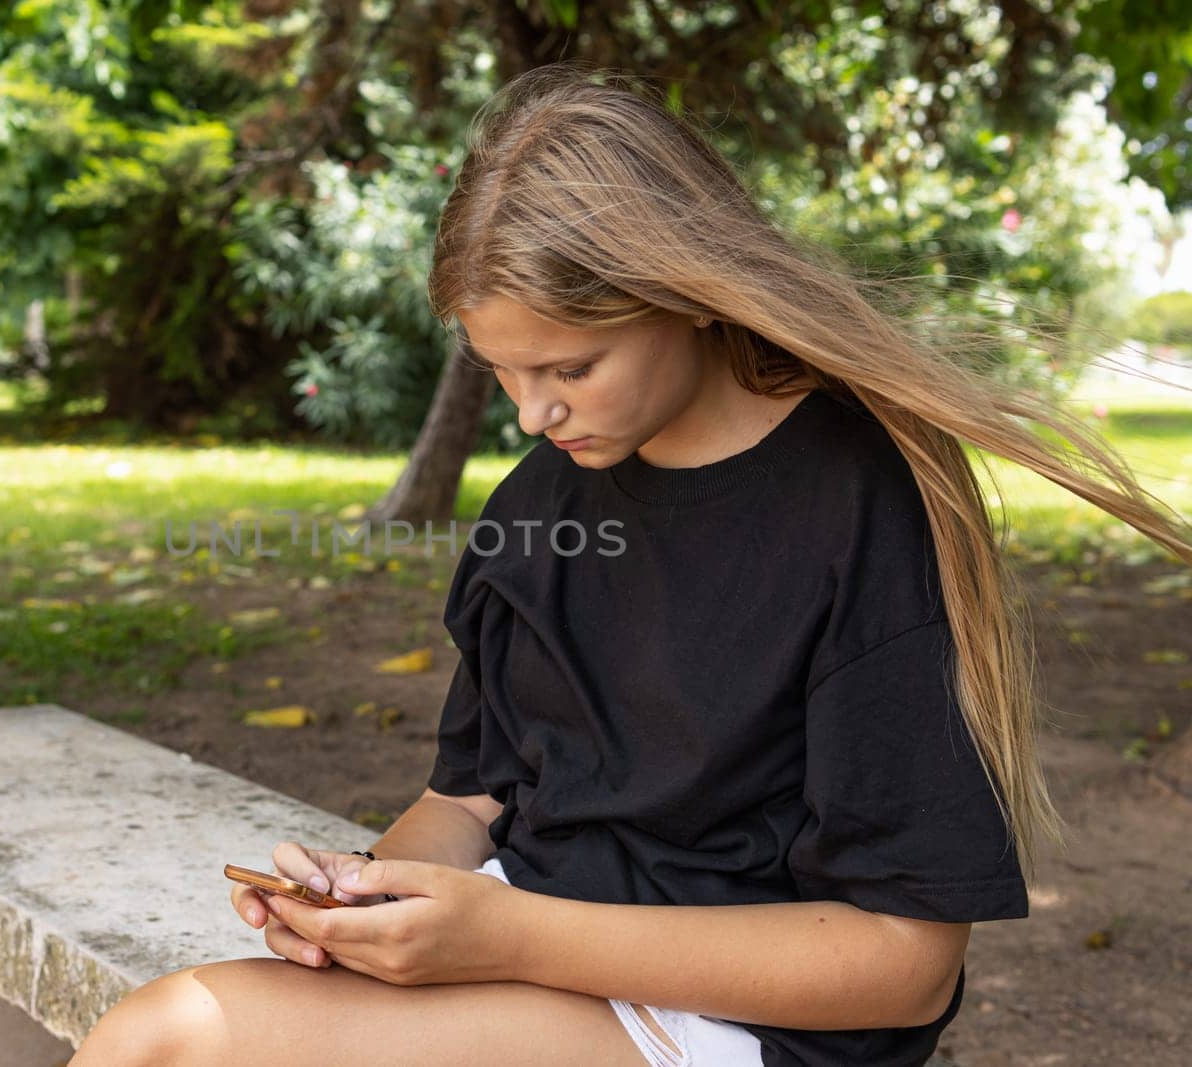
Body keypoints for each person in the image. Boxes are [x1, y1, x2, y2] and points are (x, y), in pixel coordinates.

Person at [70, 63, 1192, 1067]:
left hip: (740, 1023)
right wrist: (363, 898)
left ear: (685, 294)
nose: (529, 412)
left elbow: (904, 965)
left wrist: (505, 935)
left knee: (176, 1039)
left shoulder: (862, 499)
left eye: (569, 365)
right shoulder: (539, 504)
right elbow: (466, 796)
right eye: (501, 371)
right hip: (544, 940)